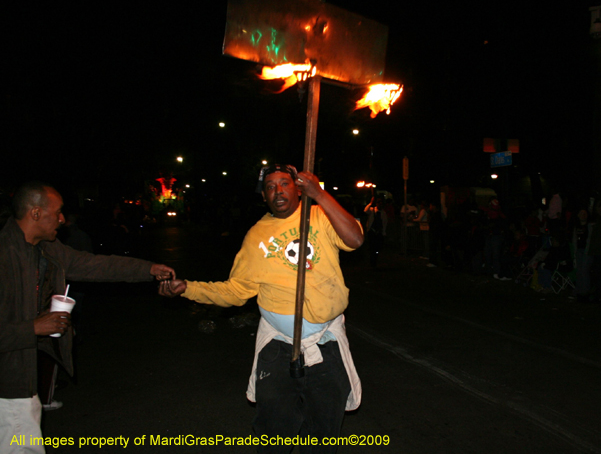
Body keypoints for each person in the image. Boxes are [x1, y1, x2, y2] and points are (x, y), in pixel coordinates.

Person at [159, 164, 363, 454]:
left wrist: (320, 194)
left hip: (325, 348)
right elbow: (236, 291)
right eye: (270, 186)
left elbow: (354, 239)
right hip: (279, 349)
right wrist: (188, 288)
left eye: (284, 183)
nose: (277, 190)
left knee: (323, 436)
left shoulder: (320, 215)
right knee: (273, 433)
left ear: (298, 188)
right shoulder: (257, 235)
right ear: (264, 196)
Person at [0, 181, 175, 454]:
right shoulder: (4, 254)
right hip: (8, 385)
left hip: (20, 374)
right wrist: (32, 327)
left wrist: (148, 268)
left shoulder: (45, 248)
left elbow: (94, 265)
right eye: (57, 212)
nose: (63, 219)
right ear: (35, 213)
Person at [364, 196, 387, 268]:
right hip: (372, 232)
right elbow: (365, 210)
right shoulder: (372, 210)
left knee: (377, 248)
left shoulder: (383, 213)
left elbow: (384, 223)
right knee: (372, 248)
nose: (380, 204)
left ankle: (374, 261)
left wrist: (383, 232)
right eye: (378, 203)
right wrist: (371, 203)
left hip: (379, 232)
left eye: (381, 203)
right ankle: (372, 262)